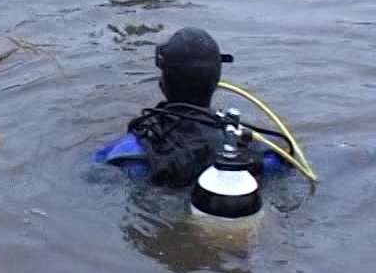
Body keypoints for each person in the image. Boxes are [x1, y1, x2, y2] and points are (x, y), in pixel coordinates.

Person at [91, 27, 290, 188]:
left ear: (163, 83)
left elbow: (91, 176)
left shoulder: (125, 155)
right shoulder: (259, 151)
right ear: (217, 82)